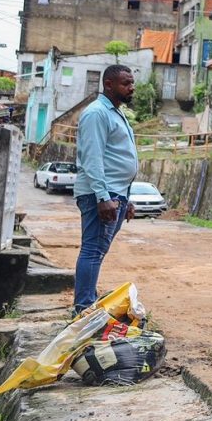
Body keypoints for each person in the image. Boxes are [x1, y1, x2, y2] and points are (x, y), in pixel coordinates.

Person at [72, 65, 139, 316]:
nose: (131, 87)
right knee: (92, 249)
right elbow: (93, 158)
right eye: (125, 83)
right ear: (108, 84)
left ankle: (86, 303)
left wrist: (126, 199)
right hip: (101, 195)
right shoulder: (97, 113)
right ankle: (84, 309)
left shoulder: (116, 114)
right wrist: (103, 197)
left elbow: (116, 159)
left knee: (98, 250)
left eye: (132, 83)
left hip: (115, 194)